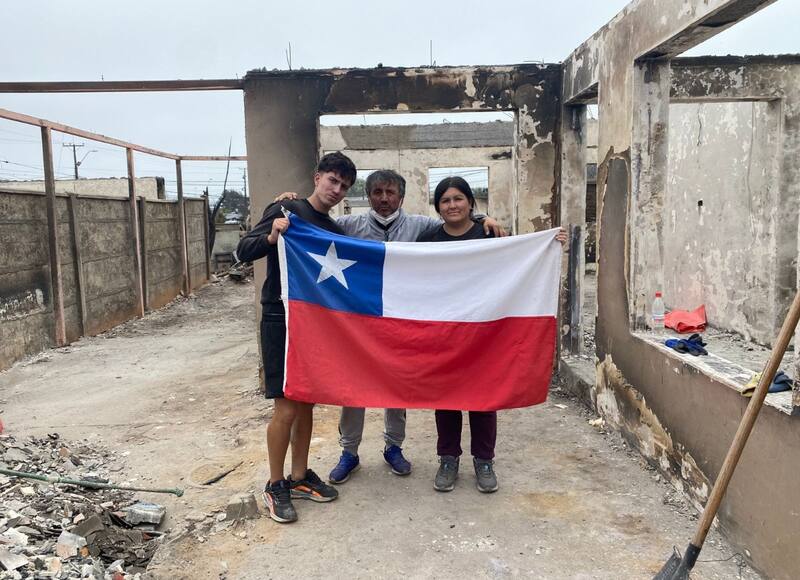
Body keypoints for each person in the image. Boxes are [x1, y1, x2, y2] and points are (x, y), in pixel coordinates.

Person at [273, 170, 506, 485]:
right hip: (357, 324)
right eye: (378, 192)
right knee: (353, 386)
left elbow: (454, 220)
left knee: (398, 384)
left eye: (391, 192)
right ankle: (349, 452)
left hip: (400, 323)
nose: (384, 198)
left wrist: (483, 218)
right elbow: (312, 224)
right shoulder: (346, 226)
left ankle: (394, 446)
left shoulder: (422, 227)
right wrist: (293, 205)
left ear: (402, 196)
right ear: (368, 195)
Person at [417, 176, 567, 494]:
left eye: (458, 198)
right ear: (438, 207)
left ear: (471, 202)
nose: (452, 205)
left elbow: (518, 263)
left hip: (485, 331)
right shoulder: (427, 239)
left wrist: (550, 243)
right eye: (445, 200)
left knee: (483, 397)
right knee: (446, 399)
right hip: (444, 331)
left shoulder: (490, 233)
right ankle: (448, 459)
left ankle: (484, 461)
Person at [236, 151, 356, 523]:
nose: (336, 189)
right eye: (332, 180)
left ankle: (300, 476)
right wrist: (272, 237)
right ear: (317, 176)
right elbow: (243, 250)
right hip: (280, 318)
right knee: (286, 406)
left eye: (344, 186)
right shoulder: (286, 210)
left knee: (307, 403)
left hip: (316, 325)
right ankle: (275, 485)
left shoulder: (335, 232)